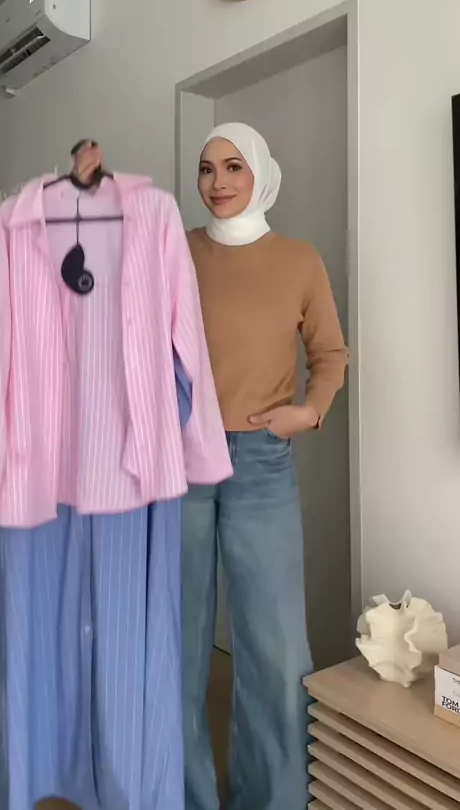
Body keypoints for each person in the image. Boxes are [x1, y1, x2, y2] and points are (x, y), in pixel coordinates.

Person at [182, 122, 348, 810]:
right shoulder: (176, 251)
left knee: (274, 647)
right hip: (182, 463)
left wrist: (307, 412)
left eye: (233, 167)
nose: (218, 182)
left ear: (260, 174)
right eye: (206, 168)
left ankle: (271, 799)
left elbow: (330, 354)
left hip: (261, 463)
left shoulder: (299, 261)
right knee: (175, 641)